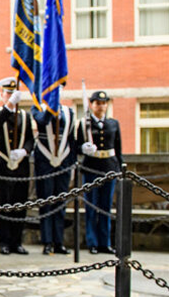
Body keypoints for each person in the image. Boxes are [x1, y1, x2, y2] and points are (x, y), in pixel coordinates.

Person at [0, 78, 34, 255]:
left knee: (20, 204)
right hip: (2, 164)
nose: (10, 96)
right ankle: (4, 242)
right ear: (2, 95)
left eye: (13, 93)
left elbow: (31, 139)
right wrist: (9, 107)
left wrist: (25, 151)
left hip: (21, 166)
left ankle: (17, 241)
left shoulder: (25, 116)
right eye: (7, 93)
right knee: (3, 203)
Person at [76, 90, 122, 255]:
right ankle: (92, 242)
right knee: (91, 207)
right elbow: (75, 146)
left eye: (103, 103)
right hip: (91, 168)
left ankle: (105, 242)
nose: (101, 106)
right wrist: (83, 148)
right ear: (92, 104)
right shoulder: (84, 124)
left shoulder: (113, 124)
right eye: (97, 103)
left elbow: (117, 148)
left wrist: (119, 168)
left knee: (106, 207)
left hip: (109, 168)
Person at [32, 101, 77, 255]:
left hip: (63, 161)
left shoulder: (68, 111)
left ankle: (59, 241)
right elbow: (43, 120)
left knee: (60, 203)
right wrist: (51, 106)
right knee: (46, 202)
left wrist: (73, 164)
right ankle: (47, 242)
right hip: (45, 160)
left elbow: (71, 139)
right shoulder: (38, 108)